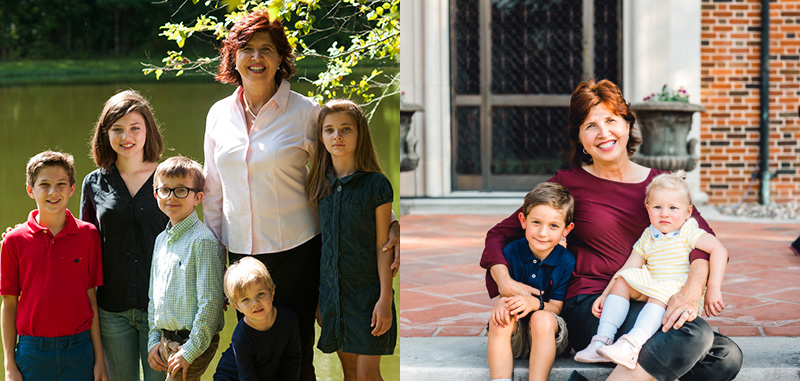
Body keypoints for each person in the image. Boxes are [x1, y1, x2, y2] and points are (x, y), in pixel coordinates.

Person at [480, 79, 743, 381]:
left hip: (653, 295)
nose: (603, 133)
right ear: (580, 139)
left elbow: (703, 242)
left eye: (611, 120)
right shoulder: (568, 184)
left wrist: (692, 289)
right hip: (593, 304)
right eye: (590, 126)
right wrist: (505, 282)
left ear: (628, 125)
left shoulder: (663, 184)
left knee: (725, 358)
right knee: (693, 335)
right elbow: (499, 235)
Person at [203, 10, 399, 380]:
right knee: (253, 355)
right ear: (233, 57)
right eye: (247, 49)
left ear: (281, 59)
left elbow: (347, 173)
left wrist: (390, 224)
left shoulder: (306, 112)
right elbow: (213, 191)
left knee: (297, 354)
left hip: (299, 252)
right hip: (242, 257)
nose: (257, 58)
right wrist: (218, 263)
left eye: (267, 49)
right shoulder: (217, 115)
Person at [574, 170, 729, 370]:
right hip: (654, 284)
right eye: (657, 207)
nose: (664, 213)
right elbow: (630, 265)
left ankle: (631, 345)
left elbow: (718, 249)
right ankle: (602, 340)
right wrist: (606, 293)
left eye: (673, 208)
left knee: (658, 294)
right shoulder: (649, 234)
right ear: (648, 209)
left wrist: (714, 288)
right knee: (623, 279)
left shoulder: (688, 230)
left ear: (688, 211)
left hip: (677, 290)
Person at [80, 89, 170, 381]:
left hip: (161, 311)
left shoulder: (168, 178)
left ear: (148, 131)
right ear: (105, 133)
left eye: (135, 128)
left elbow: (189, 236)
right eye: (117, 129)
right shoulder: (94, 183)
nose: (126, 136)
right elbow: (84, 244)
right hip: (112, 311)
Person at [305, 99, 396, 379]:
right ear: (321, 137)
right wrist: (321, 299)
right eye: (329, 130)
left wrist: (384, 297)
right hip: (334, 297)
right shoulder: (318, 185)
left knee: (368, 375)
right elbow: (321, 244)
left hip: (369, 296)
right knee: (350, 374)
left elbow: (384, 247)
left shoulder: (376, 185)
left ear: (360, 134)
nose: (337, 136)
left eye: (346, 129)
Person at [1, 151, 107, 381]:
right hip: (32, 353)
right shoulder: (14, 241)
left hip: (80, 350)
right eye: (44, 185)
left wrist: (99, 359)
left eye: (61, 184)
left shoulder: (88, 236)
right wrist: (9, 365)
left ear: (71, 189)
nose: (53, 192)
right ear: (31, 190)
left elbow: (91, 298)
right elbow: (9, 304)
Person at [146, 156, 225, 381]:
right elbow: (154, 297)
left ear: (197, 197)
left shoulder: (203, 241)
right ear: (156, 195)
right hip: (167, 338)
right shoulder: (161, 240)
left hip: (195, 340)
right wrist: (153, 340)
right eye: (165, 190)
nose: (171, 197)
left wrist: (189, 352)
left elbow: (211, 303)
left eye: (181, 190)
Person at [486, 182, 576, 381]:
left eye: (553, 226)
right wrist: (502, 303)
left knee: (541, 318)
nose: (543, 233)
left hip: (549, 337)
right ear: (523, 220)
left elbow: (557, 307)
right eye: (536, 222)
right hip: (516, 336)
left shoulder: (566, 260)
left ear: (566, 230)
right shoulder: (511, 251)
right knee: (502, 315)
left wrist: (536, 303)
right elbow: (506, 295)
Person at [214, 257, 301, 381]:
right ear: (236, 306)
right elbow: (247, 377)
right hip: (232, 377)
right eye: (245, 299)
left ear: (272, 292)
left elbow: (292, 359)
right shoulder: (241, 337)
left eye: (260, 294)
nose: (255, 303)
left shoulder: (288, 320)